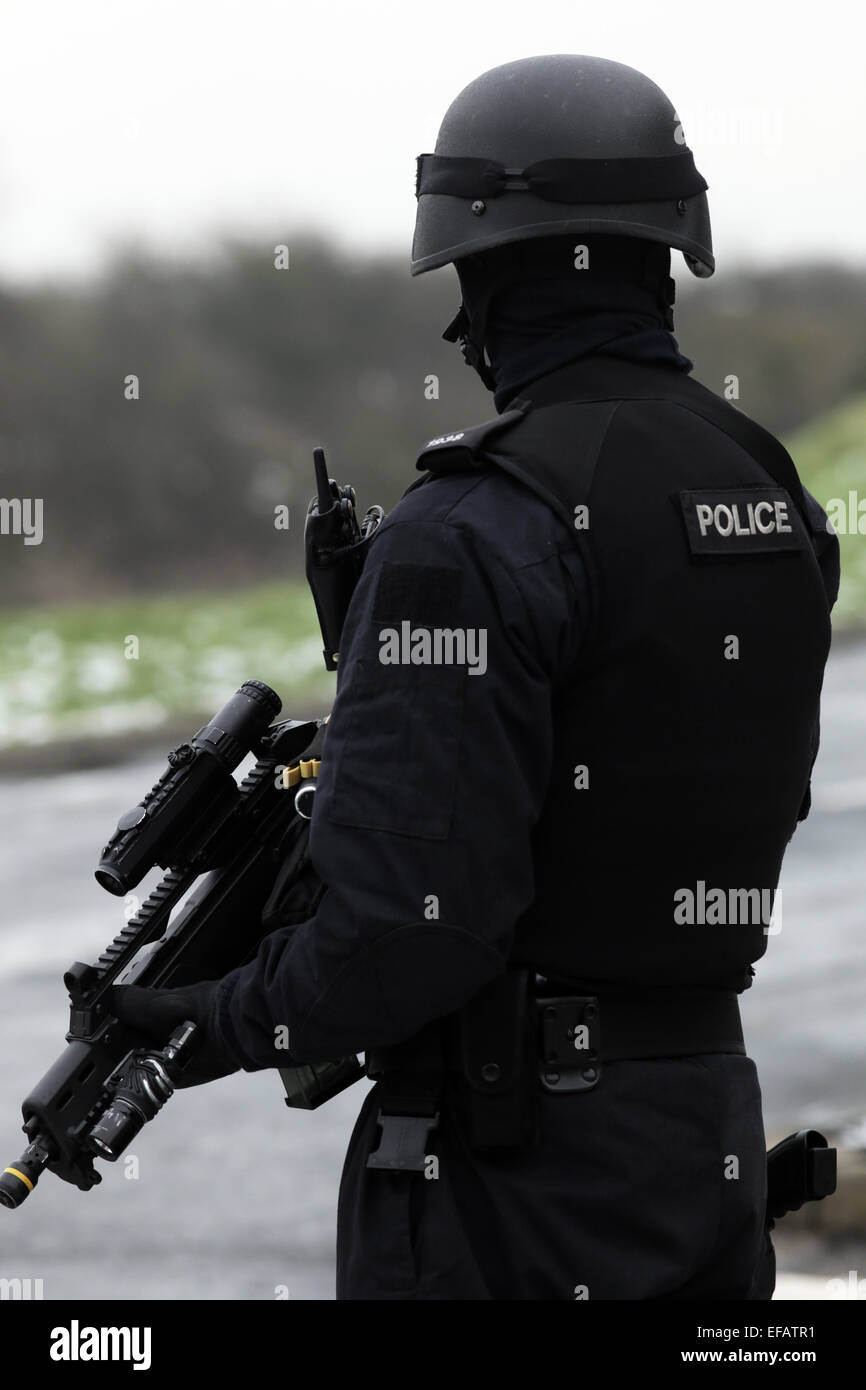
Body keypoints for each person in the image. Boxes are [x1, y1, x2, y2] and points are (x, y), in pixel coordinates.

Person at [114, 54, 840, 1300]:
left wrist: (203, 1020)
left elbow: (406, 936)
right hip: (695, 1149)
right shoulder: (763, 486)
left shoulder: (472, 524)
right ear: (663, 247)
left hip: (508, 1191)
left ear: (484, 271)